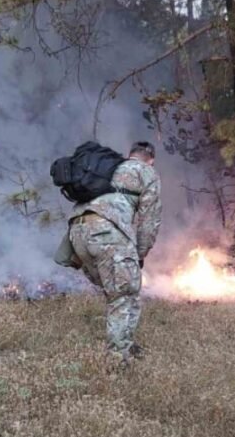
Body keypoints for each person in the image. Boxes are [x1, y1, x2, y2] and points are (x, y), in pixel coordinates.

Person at [56, 141, 162, 361]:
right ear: (150, 160)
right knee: (123, 292)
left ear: (130, 154)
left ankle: (126, 343)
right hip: (106, 232)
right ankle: (118, 359)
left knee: (120, 290)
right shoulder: (147, 172)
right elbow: (149, 221)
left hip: (77, 232)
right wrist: (140, 254)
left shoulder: (110, 168)